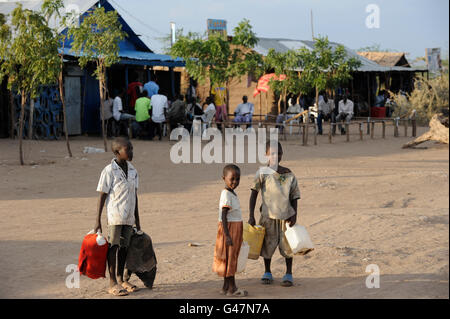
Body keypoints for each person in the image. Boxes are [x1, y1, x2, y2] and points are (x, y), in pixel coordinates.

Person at [249, 141, 301, 287]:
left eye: (278, 153)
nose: (275, 156)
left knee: (288, 247)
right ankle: (267, 272)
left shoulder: (289, 173)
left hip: (286, 217)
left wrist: (294, 214)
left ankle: (288, 273)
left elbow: (295, 195)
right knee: (267, 246)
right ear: (266, 155)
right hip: (268, 217)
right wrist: (251, 215)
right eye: (271, 153)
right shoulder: (262, 173)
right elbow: (253, 194)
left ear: (282, 154)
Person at [94, 137, 141, 296]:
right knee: (113, 247)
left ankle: (122, 279)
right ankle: (112, 282)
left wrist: (138, 221)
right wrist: (97, 221)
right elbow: (102, 196)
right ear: (117, 152)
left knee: (124, 247)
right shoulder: (109, 171)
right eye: (128, 149)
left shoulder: (133, 171)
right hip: (115, 216)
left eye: (132, 148)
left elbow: (135, 196)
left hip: (128, 217)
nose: (131, 152)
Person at [212, 164, 248, 297]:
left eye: (237, 179)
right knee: (231, 258)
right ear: (224, 178)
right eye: (232, 179)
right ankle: (232, 288)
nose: (235, 182)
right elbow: (223, 215)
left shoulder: (231, 193)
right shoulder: (226, 194)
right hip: (230, 229)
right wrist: (227, 235)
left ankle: (225, 286)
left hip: (234, 228)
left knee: (229, 257)